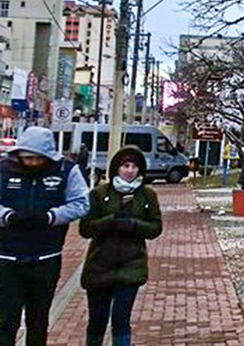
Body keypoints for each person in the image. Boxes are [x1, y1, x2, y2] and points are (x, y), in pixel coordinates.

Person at [0, 126, 90, 346]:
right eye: (26, 158)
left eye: (36, 159)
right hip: (7, 258)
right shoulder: (3, 169)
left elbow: (81, 203)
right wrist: (7, 216)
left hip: (46, 258)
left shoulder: (66, 171)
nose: (30, 163)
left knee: (38, 321)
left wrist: (52, 217)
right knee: (5, 321)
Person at [80, 146, 162, 346]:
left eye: (134, 166)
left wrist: (135, 225)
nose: (130, 170)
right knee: (97, 321)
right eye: (125, 165)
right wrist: (109, 221)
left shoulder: (147, 195)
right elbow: (86, 228)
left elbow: (155, 227)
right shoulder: (99, 194)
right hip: (100, 264)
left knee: (121, 319)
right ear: (117, 167)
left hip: (131, 265)